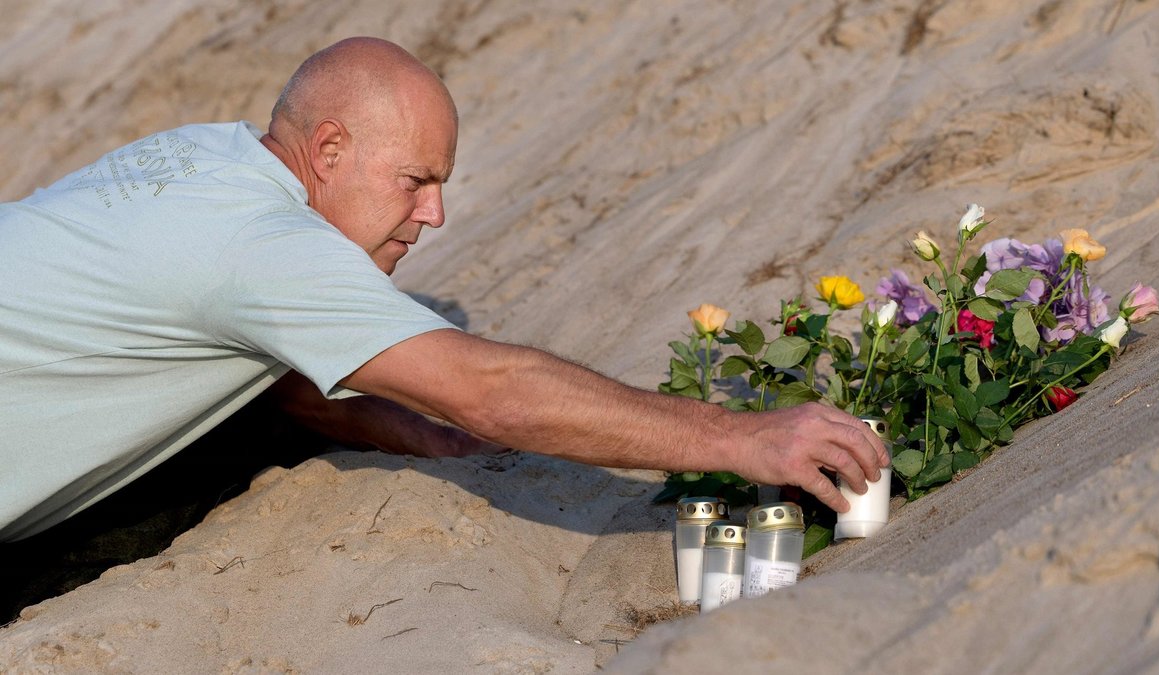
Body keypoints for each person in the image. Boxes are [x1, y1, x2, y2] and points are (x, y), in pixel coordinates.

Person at [0, 37, 887, 543]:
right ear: (332, 149)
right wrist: (745, 436)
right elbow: (490, 389)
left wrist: (431, 441)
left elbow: (287, 381)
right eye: (415, 181)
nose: (435, 214)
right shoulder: (265, 247)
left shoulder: (208, 155)